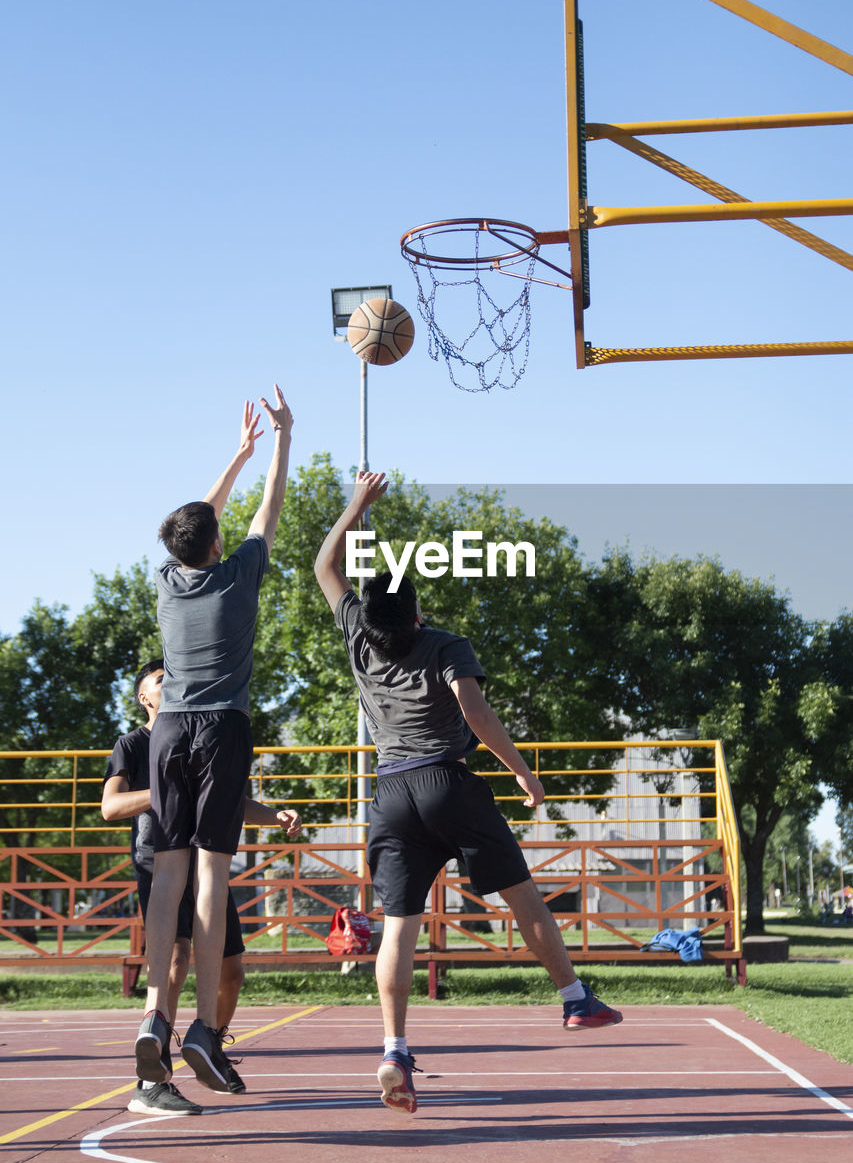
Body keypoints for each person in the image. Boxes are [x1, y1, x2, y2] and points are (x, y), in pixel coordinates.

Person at [314, 471, 623, 1116]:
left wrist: (356, 507)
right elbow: (475, 712)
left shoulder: (358, 640)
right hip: (447, 782)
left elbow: (325, 563)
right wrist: (521, 770)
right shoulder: (444, 643)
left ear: (367, 617)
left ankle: (394, 1048)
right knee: (522, 893)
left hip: (390, 791)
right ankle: (575, 999)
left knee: (399, 925)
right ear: (418, 613)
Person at [135, 387, 296, 1094]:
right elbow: (268, 510)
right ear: (217, 545)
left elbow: (197, 521)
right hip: (221, 728)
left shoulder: (169, 581)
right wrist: (279, 442)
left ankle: (152, 1021)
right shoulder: (237, 577)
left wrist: (234, 455)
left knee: (167, 876)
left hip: (166, 730)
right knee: (210, 876)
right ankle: (203, 1026)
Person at [104, 658, 301, 1115]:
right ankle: (150, 1081)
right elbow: (110, 807)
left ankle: (209, 1045)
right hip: (161, 864)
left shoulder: (201, 737)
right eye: (159, 680)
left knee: (231, 973)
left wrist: (274, 815)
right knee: (173, 962)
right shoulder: (134, 744)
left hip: (207, 867)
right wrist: (171, 791)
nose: (169, 684)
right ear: (144, 698)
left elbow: (227, 801)